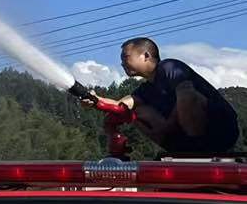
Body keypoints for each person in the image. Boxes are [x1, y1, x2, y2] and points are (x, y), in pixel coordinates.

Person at [96, 37, 241, 156]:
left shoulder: (170, 67)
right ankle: (181, 149)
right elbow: (120, 104)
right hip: (182, 142)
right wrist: (94, 99)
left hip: (221, 130)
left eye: (125, 57)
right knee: (136, 111)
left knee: (186, 92)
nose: (122, 63)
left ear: (146, 56)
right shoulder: (145, 90)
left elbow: (187, 94)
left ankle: (196, 148)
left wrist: (167, 125)